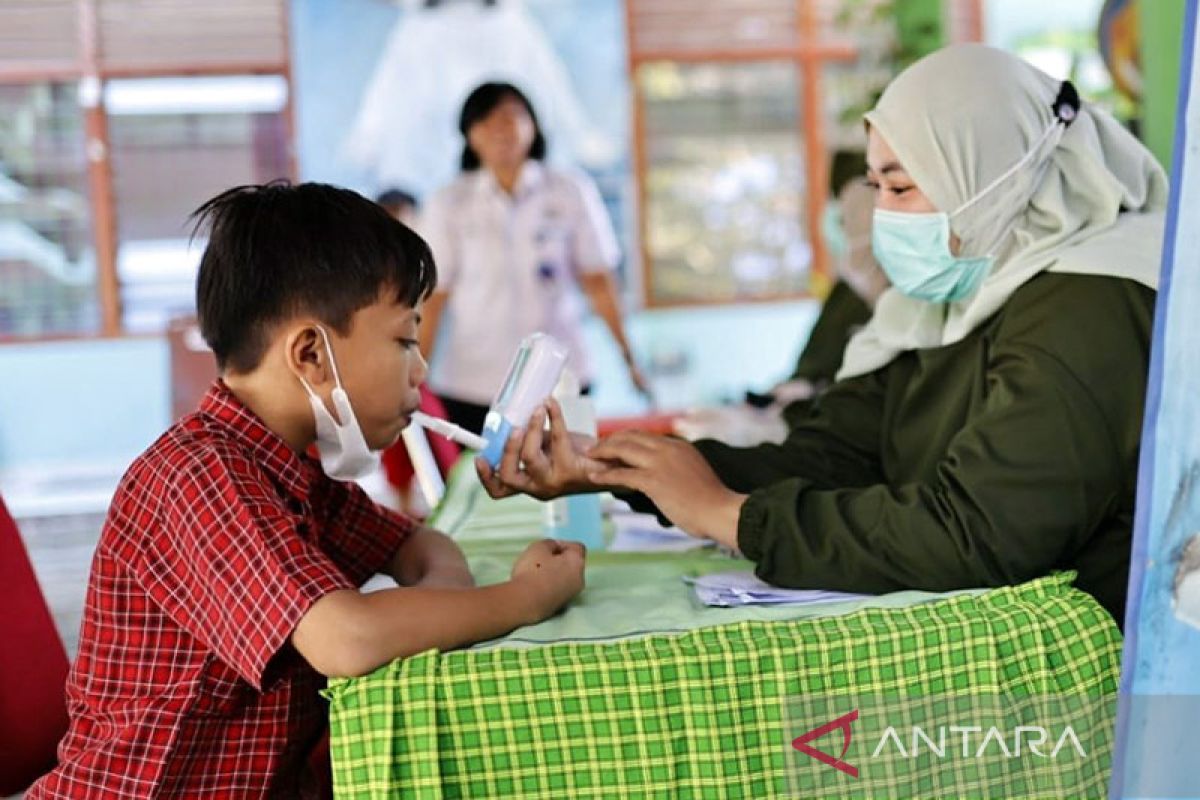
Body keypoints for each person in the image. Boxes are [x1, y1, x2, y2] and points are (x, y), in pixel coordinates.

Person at [477, 43, 1166, 626]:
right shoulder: (957, 293)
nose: (883, 219)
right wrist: (613, 469)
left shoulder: (1091, 301)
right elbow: (834, 456)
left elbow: (981, 530)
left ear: (988, 175)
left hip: (1097, 663)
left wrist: (731, 516)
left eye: (900, 189)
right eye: (875, 188)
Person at [28, 183, 585, 798]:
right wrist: (526, 598)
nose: (421, 370)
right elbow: (347, 637)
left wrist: (438, 600)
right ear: (312, 354)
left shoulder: (294, 475)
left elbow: (421, 547)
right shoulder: (199, 474)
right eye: (404, 340)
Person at [419, 81, 647, 435]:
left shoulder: (570, 191)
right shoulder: (448, 203)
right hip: (471, 381)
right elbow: (433, 299)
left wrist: (629, 358)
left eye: (511, 117)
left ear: (534, 125)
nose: (500, 130)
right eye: (486, 121)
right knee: (482, 483)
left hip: (562, 377)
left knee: (566, 478)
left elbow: (598, 281)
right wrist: (414, 374)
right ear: (469, 134)